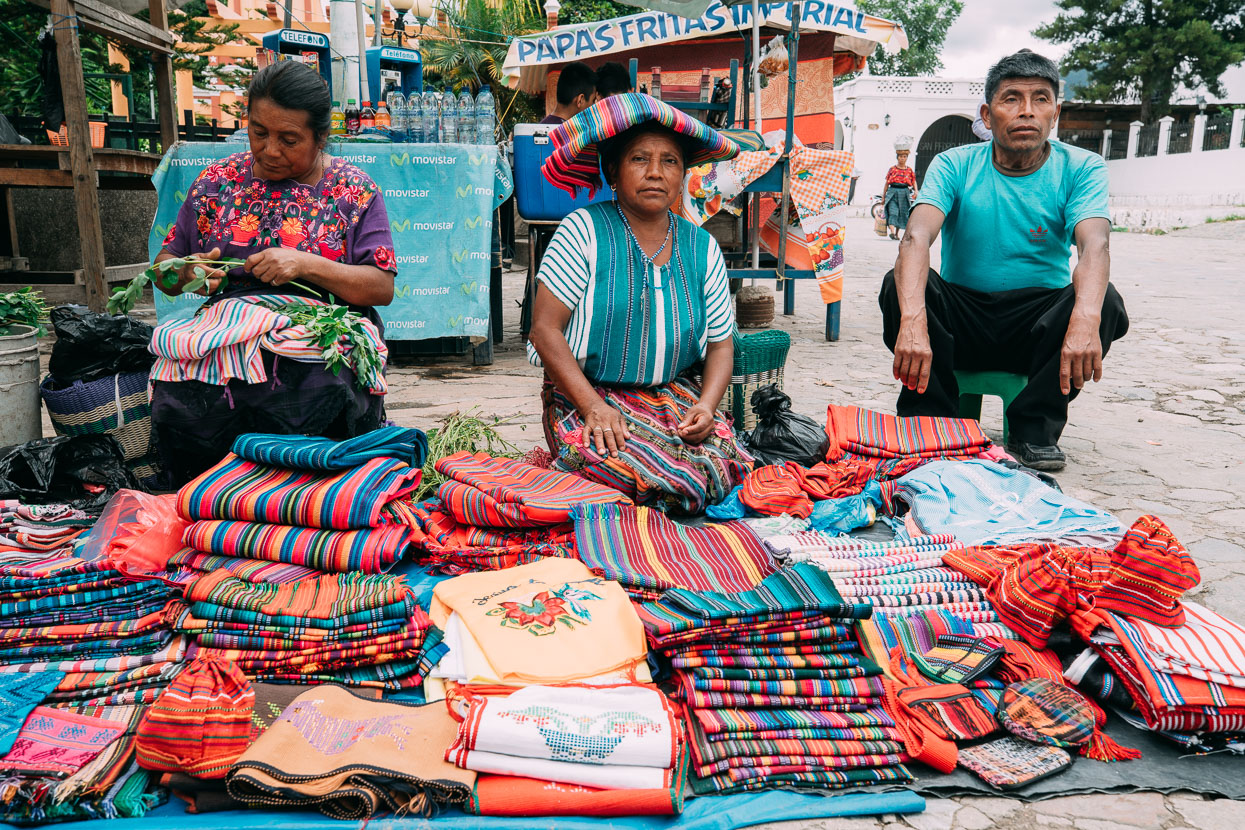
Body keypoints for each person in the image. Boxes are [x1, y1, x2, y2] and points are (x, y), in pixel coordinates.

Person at [878, 50, 1129, 472]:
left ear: (1056, 113)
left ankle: (1033, 428)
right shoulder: (954, 164)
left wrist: (1086, 321)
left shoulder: (1082, 167)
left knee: (1105, 302)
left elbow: (1095, 246)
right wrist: (913, 321)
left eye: (1040, 99)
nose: (1026, 111)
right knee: (896, 283)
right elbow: (916, 238)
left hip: (1037, 325)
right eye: (1011, 98)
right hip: (963, 317)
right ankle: (935, 424)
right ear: (987, 113)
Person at [149, 60, 397, 485]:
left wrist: (306, 264)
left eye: (289, 139)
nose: (269, 150)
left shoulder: (354, 191)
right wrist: (190, 274)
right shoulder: (216, 183)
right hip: (229, 325)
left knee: (313, 378)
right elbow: (163, 273)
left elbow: (381, 286)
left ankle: (308, 490)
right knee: (181, 382)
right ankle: (208, 491)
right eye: (259, 132)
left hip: (317, 327)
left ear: (321, 138)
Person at [528, 94, 751, 514]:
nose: (655, 173)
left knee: (723, 463)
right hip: (587, 394)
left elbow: (722, 345)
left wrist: (706, 406)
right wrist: (593, 407)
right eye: (639, 159)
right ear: (612, 169)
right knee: (616, 468)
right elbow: (544, 330)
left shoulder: (701, 247)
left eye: (670, 161)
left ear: (684, 174)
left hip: (674, 396)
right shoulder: (584, 230)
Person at [883, 144, 917, 240]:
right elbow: (886, 183)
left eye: (904, 157)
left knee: (902, 213)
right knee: (893, 212)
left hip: (904, 192)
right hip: (892, 192)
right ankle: (892, 232)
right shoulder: (892, 169)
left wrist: (916, 191)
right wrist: (883, 197)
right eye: (901, 156)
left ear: (907, 158)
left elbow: (913, 181)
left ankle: (896, 234)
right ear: (897, 158)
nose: (902, 158)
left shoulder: (909, 170)